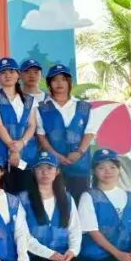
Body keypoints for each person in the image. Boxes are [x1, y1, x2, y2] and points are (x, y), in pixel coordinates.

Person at [37, 63, 97, 201]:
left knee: (81, 202)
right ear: (49, 84)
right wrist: (55, 155)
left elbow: (90, 132)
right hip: (53, 166)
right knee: (55, 203)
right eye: (55, 80)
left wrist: (79, 152)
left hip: (80, 166)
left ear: (69, 83)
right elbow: (41, 135)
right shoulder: (42, 108)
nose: (59, 83)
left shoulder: (84, 106)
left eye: (63, 79)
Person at [0, 57, 39, 194]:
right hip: (1, 154)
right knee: (2, 194)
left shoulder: (30, 100)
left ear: (18, 74)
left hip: (25, 154)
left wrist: (22, 142)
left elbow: (32, 125)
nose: (8, 75)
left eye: (11, 71)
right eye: (3, 72)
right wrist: (14, 149)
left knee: (25, 193)